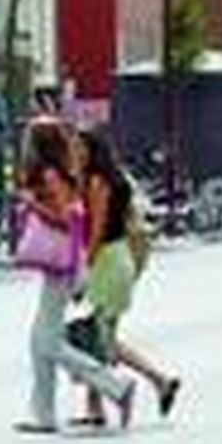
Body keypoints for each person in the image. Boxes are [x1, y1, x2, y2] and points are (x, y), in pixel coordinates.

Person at [12, 119, 135, 436]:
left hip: (63, 265)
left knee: (46, 341)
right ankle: (44, 412)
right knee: (40, 341)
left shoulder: (52, 175)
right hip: (65, 265)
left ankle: (114, 386)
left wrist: (33, 206)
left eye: (29, 139)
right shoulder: (61, 172)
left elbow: (69, 220)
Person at [73, 129, 182, 427]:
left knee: (101, 338)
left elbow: (96, 229)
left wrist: (84, 268)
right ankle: (94, 407)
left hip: (107, 260)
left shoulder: (98, 181)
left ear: (93, 151)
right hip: (119, 257)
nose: (75, 153)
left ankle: (159, 380)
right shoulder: (119, 179)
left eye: (80, 148)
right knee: (97, 334)